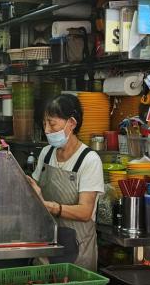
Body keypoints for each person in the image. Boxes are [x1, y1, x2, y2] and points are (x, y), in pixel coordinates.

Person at [27, 94, 104, 271]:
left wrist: (53, 208)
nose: (46, 130)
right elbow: (36, 192)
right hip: (47, 246)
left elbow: (85, 211)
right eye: (44, 124)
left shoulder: (89, 160)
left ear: (71, 123)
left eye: (52, 124)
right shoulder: (46, 153)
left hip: (78, 252)